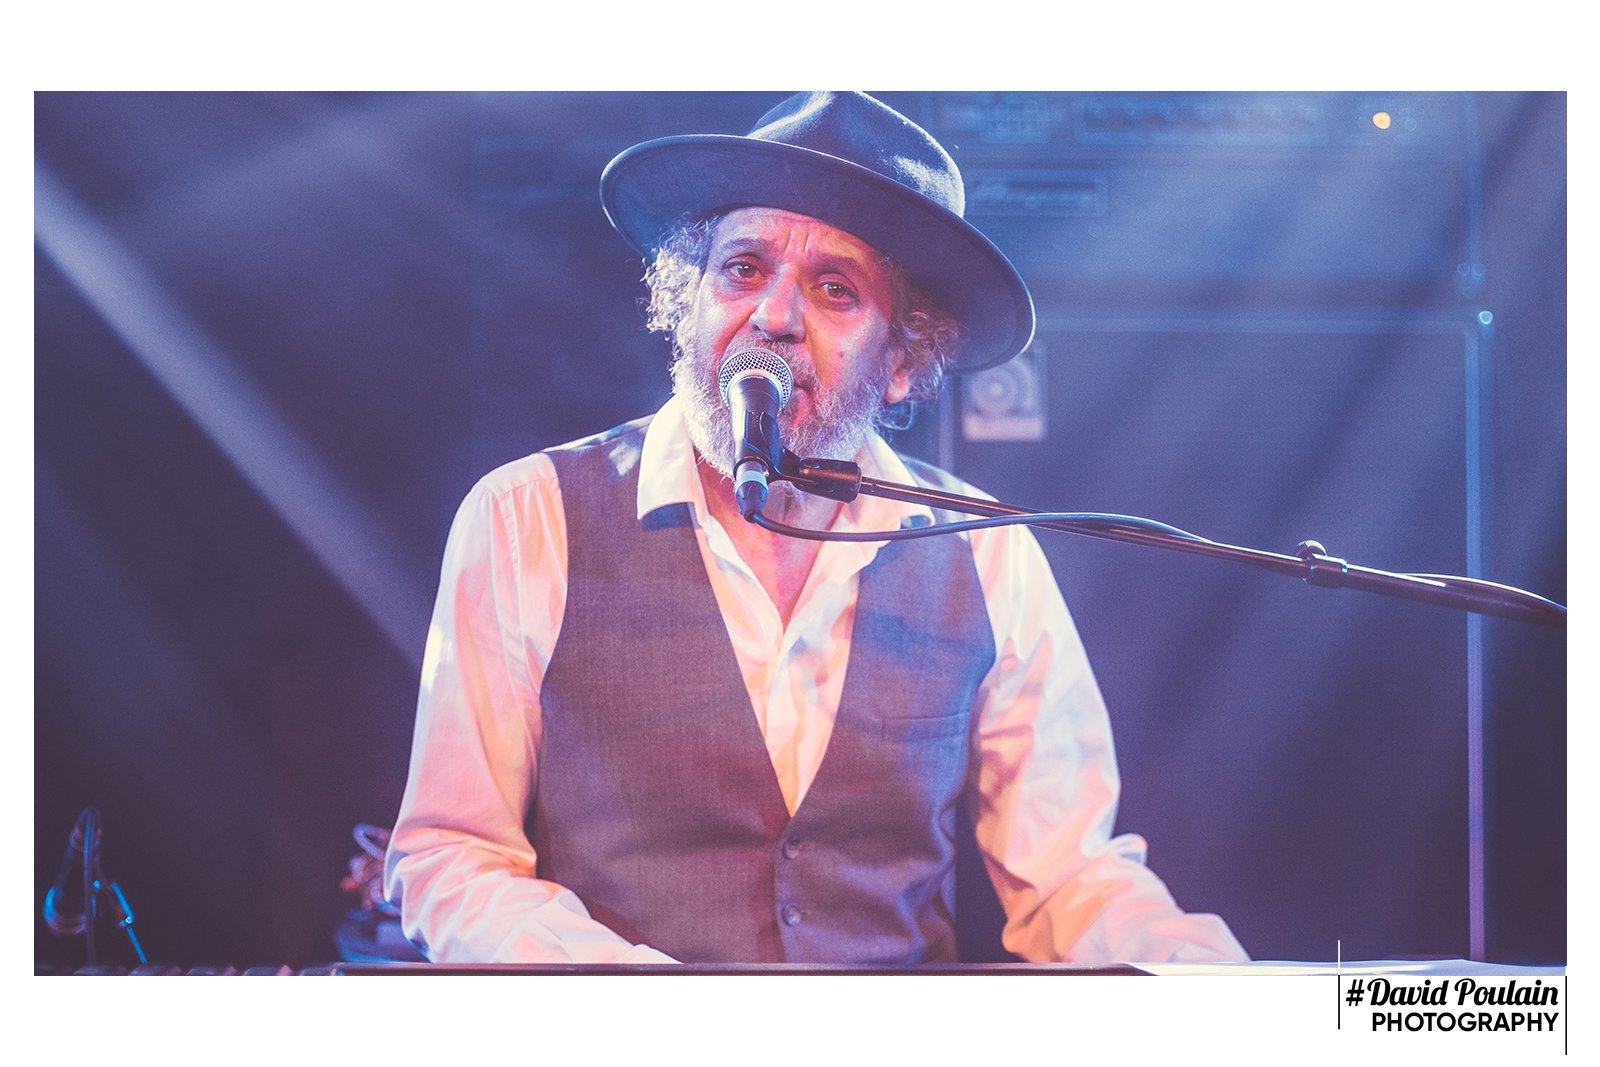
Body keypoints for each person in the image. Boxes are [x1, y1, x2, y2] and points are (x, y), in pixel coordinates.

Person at [383, 91, 1248, 966]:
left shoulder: (987, 553)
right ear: (689, 299)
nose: (774, 316)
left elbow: (1074, 878)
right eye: (743, 268)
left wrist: (1217, 987)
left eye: (835, 288)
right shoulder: (526, 516)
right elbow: (451, 855)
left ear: (903, 358)